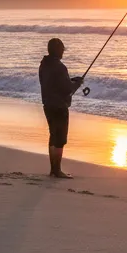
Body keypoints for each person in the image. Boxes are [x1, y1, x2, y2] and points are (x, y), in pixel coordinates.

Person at [38, 38, 83, 178]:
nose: (63, 51)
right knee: (60, 139)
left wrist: (72, 81)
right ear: (57, 50)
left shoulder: (44, 65)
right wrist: (77, 83)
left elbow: (56, 84)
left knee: (53, 136)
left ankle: (53, 169)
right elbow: (67, 90)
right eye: (62, 49)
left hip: (48, 105)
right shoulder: (60, 67)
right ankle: (57, 170)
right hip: (59, 107)